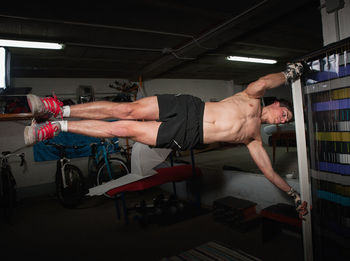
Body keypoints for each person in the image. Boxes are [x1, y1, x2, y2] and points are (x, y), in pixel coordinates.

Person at [24, 62, 308, 218]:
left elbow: (270, 172)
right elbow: (264, 81)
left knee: (122, 129)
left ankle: (57, 127)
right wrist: (287, 73)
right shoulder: (252, 98)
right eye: (285, 111)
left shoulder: (254, 140)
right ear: (275, 104)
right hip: (188, 108)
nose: (284, 117)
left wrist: (294, 196)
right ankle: (58, 108)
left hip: (186, 136)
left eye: (287, 118)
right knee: (127, 110)